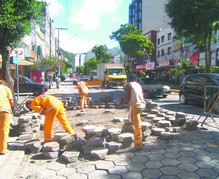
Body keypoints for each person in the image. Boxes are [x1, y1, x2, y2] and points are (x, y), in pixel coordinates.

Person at [120, 73, 146, 151]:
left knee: (137, 125)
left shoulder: (129, 85)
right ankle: (138, 140)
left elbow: (128, 96)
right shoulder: (138, 85)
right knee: (133, 120)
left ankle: (138, 145)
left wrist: (122, 100)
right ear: (136, 79)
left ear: (128, 79)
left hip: (136, 105)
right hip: (140, 104)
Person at [0, 80, 14, 155]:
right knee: (4, 129)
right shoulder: (6, 89)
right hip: (4, 110)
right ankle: (2, 149)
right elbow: (11, 102)